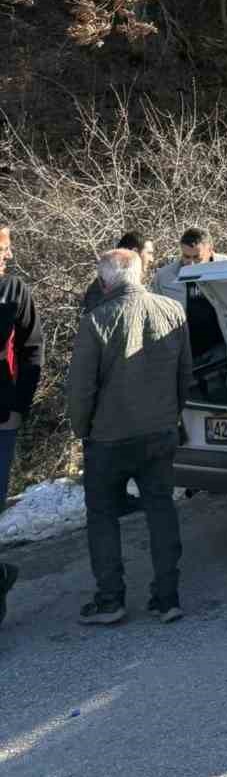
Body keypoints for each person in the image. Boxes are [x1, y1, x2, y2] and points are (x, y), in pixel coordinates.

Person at [66, 248, 192, 625]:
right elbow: (184, 374)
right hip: (159, 430)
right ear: (140, 273)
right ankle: (167, 597)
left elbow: (81, 390)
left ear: (106, 281)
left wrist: (81, 429)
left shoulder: (96, 320)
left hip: (108, 437)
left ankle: (110, 599)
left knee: (102, 514)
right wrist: (172, 414)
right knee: (161, 507)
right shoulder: (174, 311)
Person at [1, 220, 43, 628]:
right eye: (3, 247)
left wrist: (20, 406)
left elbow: (33, 351)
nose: (9, 254)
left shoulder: (16, 291)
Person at [81, 231, 156, 316]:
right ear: (135, 252)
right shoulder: (105, 286)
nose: (151, 259)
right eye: (149, 253)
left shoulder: (136, 283)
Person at [152, 227, 227, 308]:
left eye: (197, 258)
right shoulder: (163, 277)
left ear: (210, 250)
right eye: (186, 257)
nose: (191, 264)